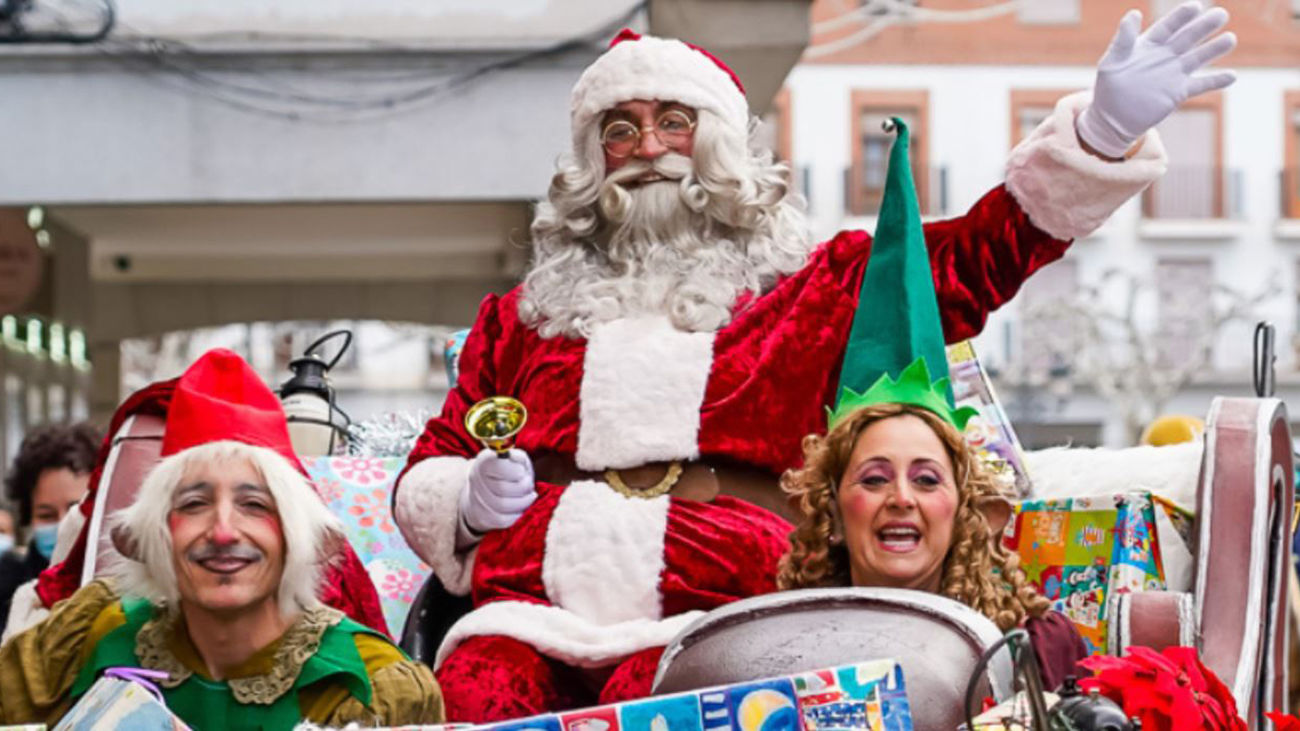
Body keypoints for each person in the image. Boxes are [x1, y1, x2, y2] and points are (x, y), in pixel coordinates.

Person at [393, 4, 1235, 721]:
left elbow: (969, 258)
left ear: (721, 143)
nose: (648, 145)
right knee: (475, 695)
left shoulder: (812, 285)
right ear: (590, 163)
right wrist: (463, 502)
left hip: (719, 613)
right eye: (620, 129)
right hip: (529, 610)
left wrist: (1099, 134)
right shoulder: (522, 317)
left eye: (673, 121)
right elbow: (434, 460)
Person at [0, 349, 443, 729]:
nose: (224, 531)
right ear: (158, 534)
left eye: (255, 505)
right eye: (193, 504)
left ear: (295, 536)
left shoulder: (370, 684)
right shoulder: (93, 632)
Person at [776, 402, 1088, 690]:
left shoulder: (1036, 648)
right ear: (833, 516)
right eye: (873, 479)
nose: (901, 498)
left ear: (966, 518)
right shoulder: (780, 657)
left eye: (926, 480)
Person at [0, 423, 99, 628]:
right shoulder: (6, 585)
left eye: (75, 510)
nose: (64, 525)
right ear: (29, 516)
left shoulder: (124, 591)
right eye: (46, 515)